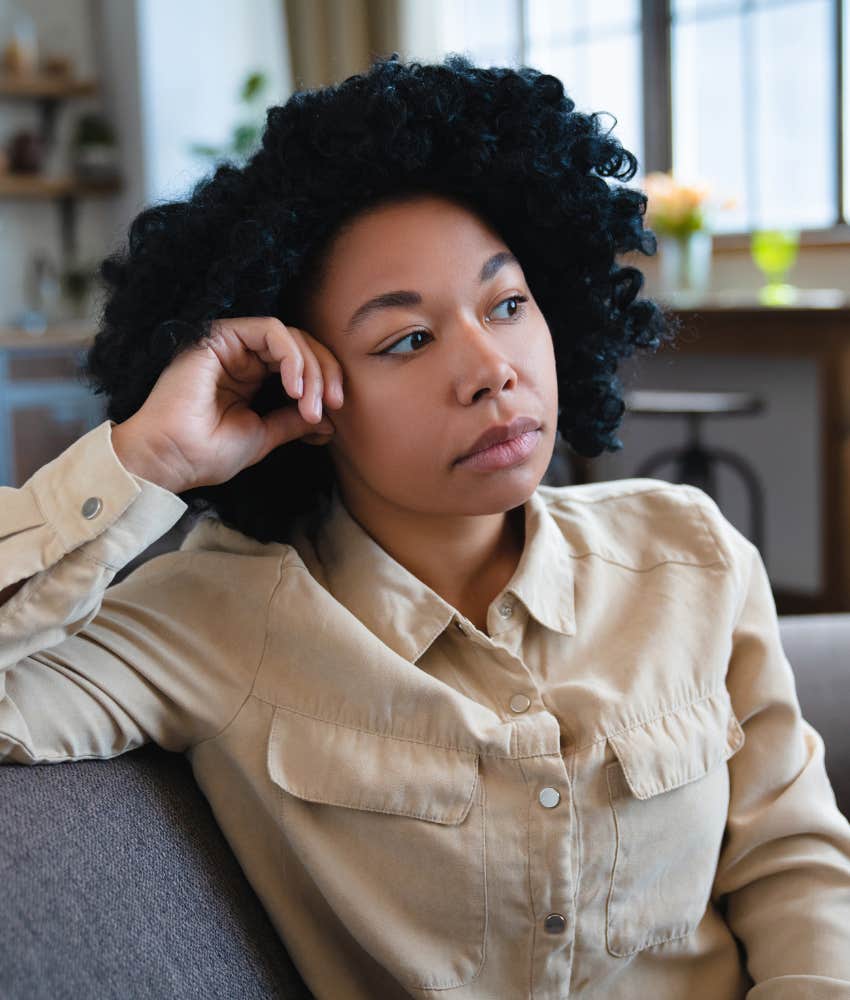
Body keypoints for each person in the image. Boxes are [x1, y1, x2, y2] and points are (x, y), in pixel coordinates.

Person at [2, 51, 849, 1000]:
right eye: (407, 338)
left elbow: (792, 862)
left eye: (509, 304)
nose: (492, 367)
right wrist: (147, 458)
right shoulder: (219, 616)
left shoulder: (688, 553)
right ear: (305, 390)